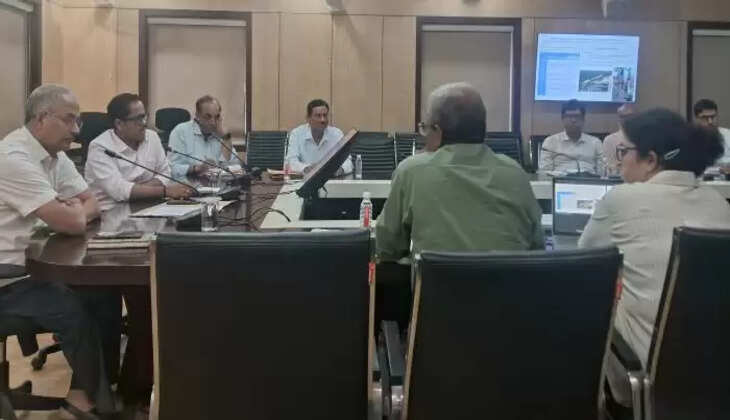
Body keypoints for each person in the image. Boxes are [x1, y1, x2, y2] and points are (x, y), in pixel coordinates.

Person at [578, 108, 730, 407]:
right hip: (717, 372)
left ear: (650, 160)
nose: (618, 161)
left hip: (641, 377)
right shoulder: (719, 203)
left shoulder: (621, 198)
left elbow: (584, 266)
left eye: (624, 151)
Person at [0, 84, 117, 417]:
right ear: (42, 118)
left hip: (29, 268)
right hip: (7, 278)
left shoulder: (55, 155)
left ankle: (92, 390)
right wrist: (72, 214)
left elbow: (91, 202)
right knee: (70, 307)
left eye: (77, 121)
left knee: (104, 293)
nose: (76, 130)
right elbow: (72, 221)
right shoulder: (13, 159)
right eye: (69, 120)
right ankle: (94, 403)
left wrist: (74, 212)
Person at [376, 82, 544, 262]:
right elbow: (536, 245)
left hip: (438, 280)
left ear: (438, 131)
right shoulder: (515, 173)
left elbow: (387, 247)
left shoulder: (412, 171)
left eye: (425, 128)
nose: (424, 136)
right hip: (507, 280)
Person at [85, 93, 193, 210]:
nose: (144, 123)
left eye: (144, 116)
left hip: (149, 205)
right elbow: (119, 191)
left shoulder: (152, 137)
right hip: (112, 212)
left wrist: (138, 190)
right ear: (119, 124)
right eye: (138, 119)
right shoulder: (100, 147)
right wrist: (164, 191)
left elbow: (166, 172)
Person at [168, 95, 240, 178]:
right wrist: (196, 168)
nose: (213, 122)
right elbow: (171, 168)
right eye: (208, 117)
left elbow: (235, 166)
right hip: (189, 183)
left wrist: (226, 138)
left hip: (217, 183)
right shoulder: (181, 132)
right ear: (197, 116)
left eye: (216, 117)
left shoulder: (221, 133)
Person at [285, 99, 353, 175]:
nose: (322, 120)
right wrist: (307, 168)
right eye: (318, 116)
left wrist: (340, 170)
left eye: (325, 115)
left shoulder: (336, 134)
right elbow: (290, 162)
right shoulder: (297, 134)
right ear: (308, 118)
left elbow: (348, 162)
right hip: (305, 179)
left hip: (330, 178)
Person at [539, 99, 605, 175]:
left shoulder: (595, 143)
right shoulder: (550, 142)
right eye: (569, 116)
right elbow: (544, 172)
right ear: (562, 119)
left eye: (577, 116)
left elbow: (602, 173)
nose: (573, 120)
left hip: (589, 180)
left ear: (583, 119)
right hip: (560, 180)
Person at [693, 99, 730, 173]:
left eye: (713, 117)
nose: (710, 121)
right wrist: (719, 169)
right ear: (696, 118)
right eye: (705, 118)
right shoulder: (688, 138)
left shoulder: (727, 134)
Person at [602, 103, 637, 175]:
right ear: (619, 119)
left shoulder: (645, 138)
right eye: (623, 117)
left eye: (630, 116)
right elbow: (609, 168)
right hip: (616, 178)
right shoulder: (609, 140)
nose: (627, 120)